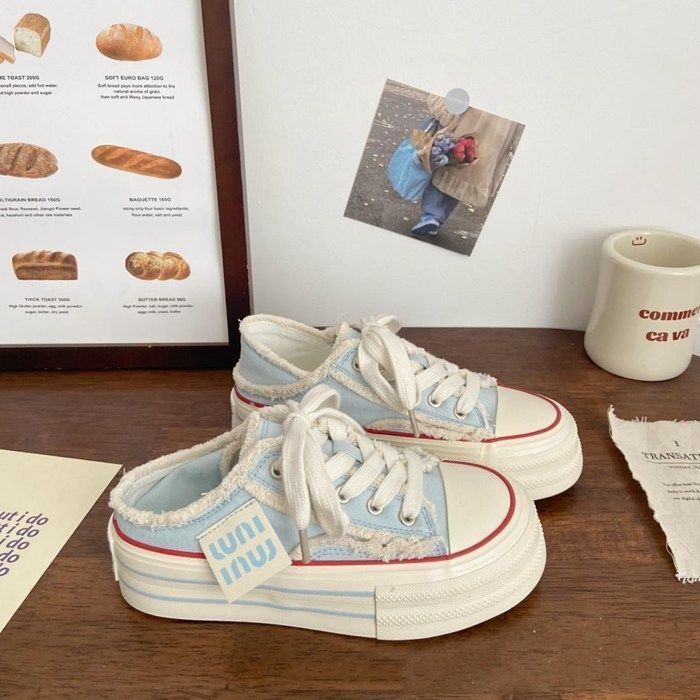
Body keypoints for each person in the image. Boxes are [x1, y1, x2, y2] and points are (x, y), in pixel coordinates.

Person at [411, 94, 521, 237]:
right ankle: (435, 219)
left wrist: (445, 110)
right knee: (466, 176)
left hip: (470, 121)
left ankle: (431, 216)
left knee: (446, 165)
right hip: (497, 138)